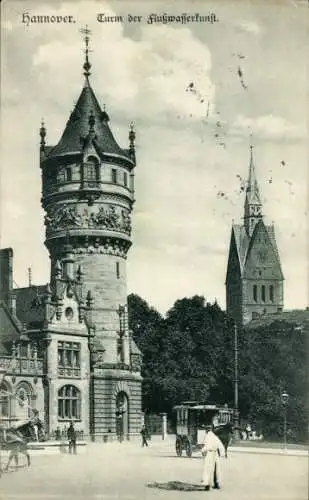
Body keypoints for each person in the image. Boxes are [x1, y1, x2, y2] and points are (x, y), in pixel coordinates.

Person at [201, 424, 225, 491]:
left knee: (207, 468)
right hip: (215, 453)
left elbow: (206, 445)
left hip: (210, 453)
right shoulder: (215, 436)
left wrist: (203, 450)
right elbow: (220, 445)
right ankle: (216, 483)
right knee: (216, 469)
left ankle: (207, 485)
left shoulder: (207, 436)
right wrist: (222, 453)